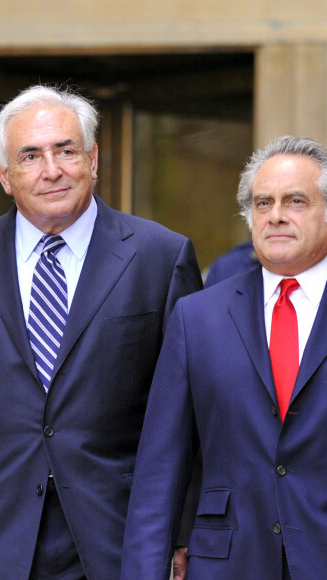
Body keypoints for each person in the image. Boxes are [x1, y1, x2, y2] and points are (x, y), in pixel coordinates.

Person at [0, 84, 202, 580]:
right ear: (5, 176)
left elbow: (187, 415)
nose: (52, 170)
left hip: (119, 536)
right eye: (30, 156)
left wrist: (180, 534)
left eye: (66, 150)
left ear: (93, 158)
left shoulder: (160, 256)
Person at [120, 135, 327, 580]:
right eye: (262, 202)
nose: (275, 215)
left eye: (295, 201)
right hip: (228, 562)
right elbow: (160, 470)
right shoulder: (197, 317)